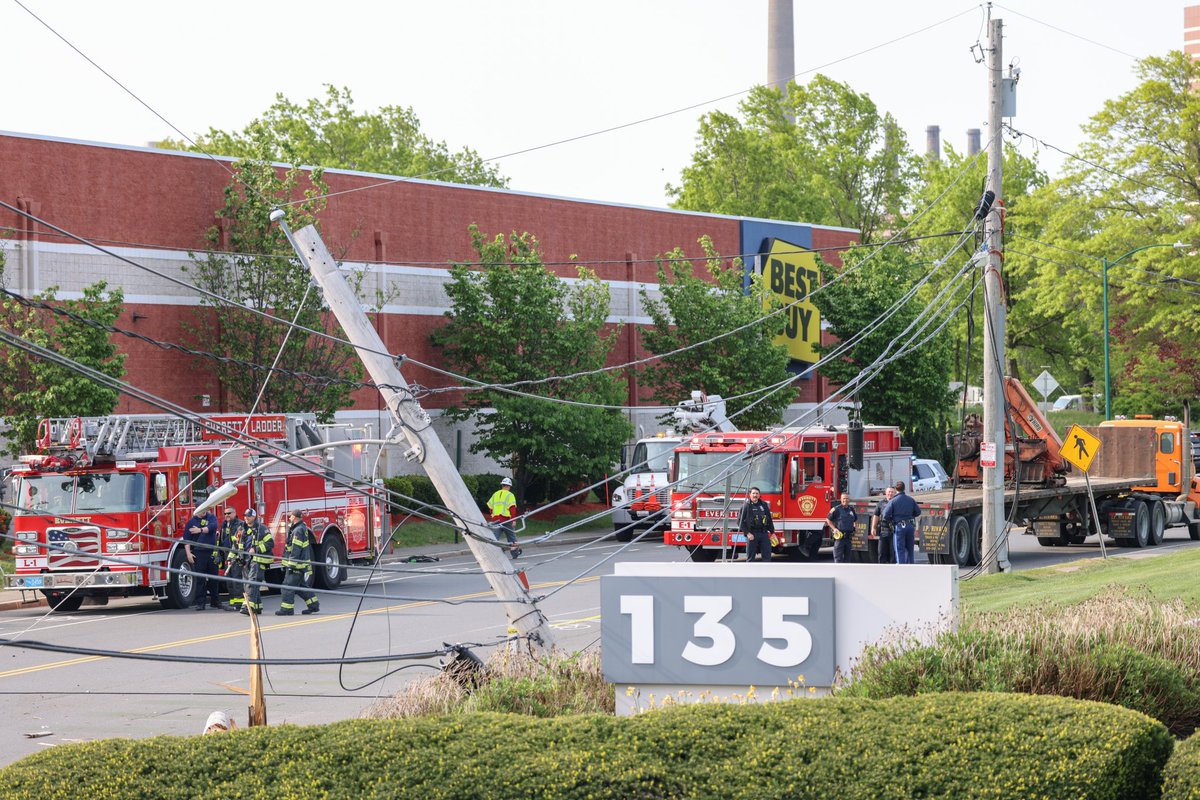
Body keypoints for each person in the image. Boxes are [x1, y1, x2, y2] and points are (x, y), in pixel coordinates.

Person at [276, 509, 319, 616]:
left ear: (295, 517)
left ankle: (287, 609)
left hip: (296, 565)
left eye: (290, 516)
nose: (289, 518)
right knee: (300, 587)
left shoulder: (298, 530)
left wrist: (291, 565)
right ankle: (313, 605)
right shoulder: (300, 528)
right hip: (299, 565)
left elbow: (296, 549)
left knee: (287, 587)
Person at [182, 508, 221, 610]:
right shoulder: (191, 522)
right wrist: (188, 554)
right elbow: (187, 540)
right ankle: (200, 603)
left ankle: (215, 601)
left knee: (214, 578)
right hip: (199, 553)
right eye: (201, 509)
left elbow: (213, 527)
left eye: (205, 509)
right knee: (200, 580)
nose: (203, 511)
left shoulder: (211, 517)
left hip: (212, 552)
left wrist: (200, 530)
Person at [241, 508, 274, 616]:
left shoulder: (262, 528)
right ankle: (257, 607)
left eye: (248, 516)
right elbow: (238, 544)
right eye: (245, 515)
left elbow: (270, 543)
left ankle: (248, 607)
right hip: (247, 561)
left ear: (254, 517)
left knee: (252, 583)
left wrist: (256, 549)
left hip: (259, 560)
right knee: (249, 584)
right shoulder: (243, 528)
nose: (246, 518)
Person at [883, 480, 922, 565]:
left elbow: (885, 515)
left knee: (899, 549)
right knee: (910, 549)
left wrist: (892, 520)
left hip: (899, 526)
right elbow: (918, 512)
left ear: (896, 489)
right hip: (910, 526)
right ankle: (910, 566)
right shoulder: (911, 500)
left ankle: (901, 568)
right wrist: (911, 516)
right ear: (904, 488)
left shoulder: (893, 501)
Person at [217, 508, 247, 611]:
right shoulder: (224, 525)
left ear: (235, 513)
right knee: (229, 581)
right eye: (225, 513)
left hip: (236, 555)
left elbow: (239, 542)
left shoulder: (240, 525)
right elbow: (220, 540)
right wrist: (219, 554)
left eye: (229, 513)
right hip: (227, 555)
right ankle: (232, 602)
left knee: (236, 580)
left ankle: (239, 603)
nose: (226, 515)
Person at [486, 477, 521, 558]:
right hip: (506, 520)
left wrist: (492, 515)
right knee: (511, 537)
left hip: (496, 520)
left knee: (494, 538)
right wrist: (514, 520)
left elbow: (490, 507)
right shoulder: (510, 495)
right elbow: (512, 509)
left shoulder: (495, 494)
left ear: (502, 485)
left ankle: (491, 554)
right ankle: (514, 554)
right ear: (509, 486)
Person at [738, 487, 775, 562]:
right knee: (750, 558)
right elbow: (740, 522)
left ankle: (766, 573)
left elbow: (769, 519)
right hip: (752, 534)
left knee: (767, 556)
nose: (755, 495)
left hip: (763, 533)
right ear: (750, 495)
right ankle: (750, 573)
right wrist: (748, 533)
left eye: (757, 493)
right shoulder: (746, 506)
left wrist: (772, 532)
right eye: (753, 493)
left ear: (759, 495)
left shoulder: (764, 505)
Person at [826, 493, 858, 563]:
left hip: (848, 538)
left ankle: (846, 573)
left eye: (847, 498)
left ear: (849, 499)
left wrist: (855, 527)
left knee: (848, 559)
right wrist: (834, 529)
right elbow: (828, 519)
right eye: (844, 498)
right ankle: (837, 573)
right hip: (839, 538)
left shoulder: (851, 509)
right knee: (838, 559)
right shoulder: (836, 509)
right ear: (841, 499)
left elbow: (855, 520)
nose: (845, 500)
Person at [872, 486, 897, 564]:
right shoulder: (881, 503)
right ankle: (881, 570)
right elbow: (876, 515)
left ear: (895, 493)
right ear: (885, 493)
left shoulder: (897, 503)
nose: (890, 493)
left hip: (894, 531)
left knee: (893, 553)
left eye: (892, 492)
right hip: (883, 531)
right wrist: (873, 527)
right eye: (889, 492)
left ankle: (893, 571)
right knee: (881, 552)